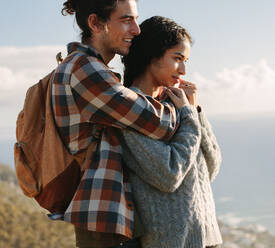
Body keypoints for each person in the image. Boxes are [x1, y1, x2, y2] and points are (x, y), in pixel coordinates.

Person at [55, 1, 192, 247]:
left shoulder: (97, 71)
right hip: (102, 221)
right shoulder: (84, 69)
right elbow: (157, 122)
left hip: (113, 218)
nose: (137, 30)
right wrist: (186, 109)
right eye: (127, 20)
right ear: (96, 23)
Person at [121, 16, 223, 248]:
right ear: (151, 55)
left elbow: (212, 166)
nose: (184, 70)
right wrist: (188, 116)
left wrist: (195, 111)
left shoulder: (176, 105)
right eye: (177, 59)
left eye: (185, 60)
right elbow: (168, 175)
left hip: (208, 239)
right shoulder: (130, 110)